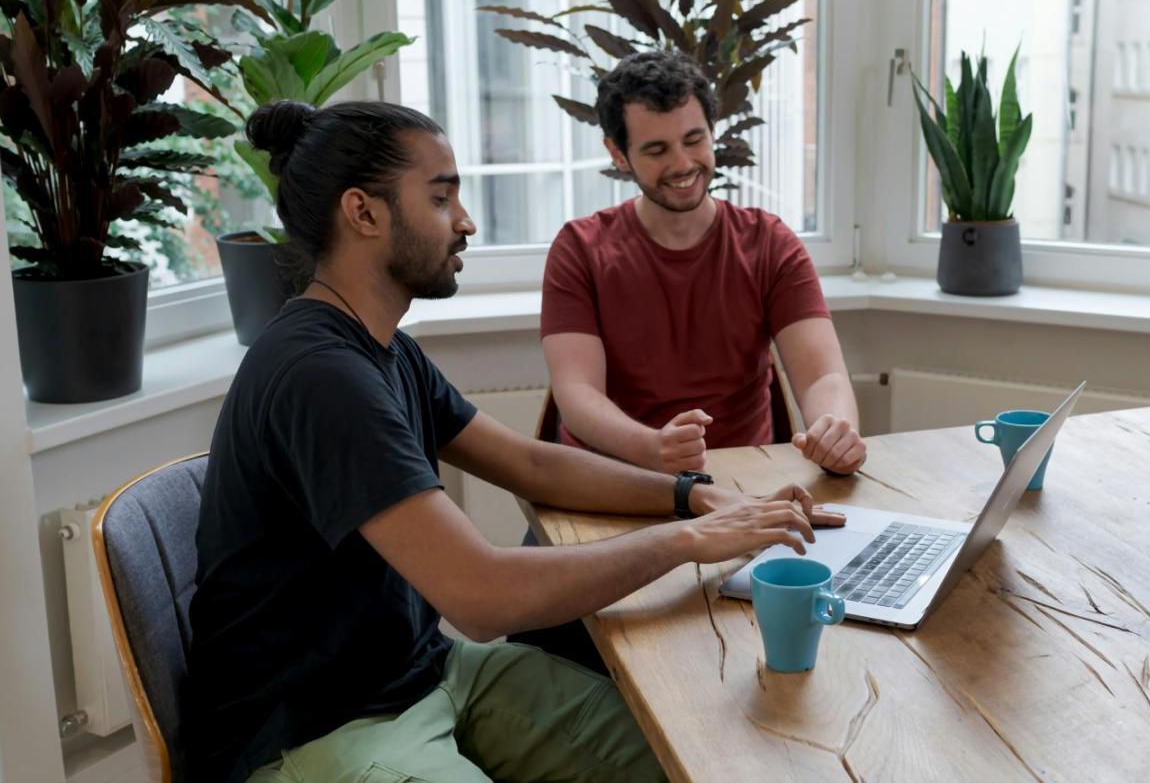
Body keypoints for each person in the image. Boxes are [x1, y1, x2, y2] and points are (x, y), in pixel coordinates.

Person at [187, 99, 842, 783]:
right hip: (318, 730)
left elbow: (529, 463)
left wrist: (692, 497)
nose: (465, 221)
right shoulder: (319, 376)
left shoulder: (386, 352)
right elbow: (482, 597)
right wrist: (686, 543)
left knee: (688, 760)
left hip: (427, 676)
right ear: (364, 213)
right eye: (442, 199)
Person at [541, 50, 867, 476]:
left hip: (743, 481)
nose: (682, 164)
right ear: (618, 154)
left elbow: (823, 376)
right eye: (656, 149)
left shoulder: (769, 243)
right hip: (615, 478)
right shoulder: (579, 249)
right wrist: (653, 448)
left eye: (694, 140)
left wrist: (834, 429)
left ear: (712, 132)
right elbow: (578, 394)